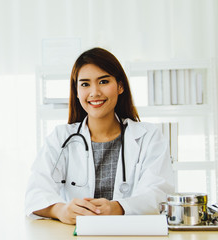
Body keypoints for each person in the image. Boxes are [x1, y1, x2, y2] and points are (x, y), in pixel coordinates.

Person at [25, 47, 174, 224]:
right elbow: (36, 194)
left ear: (120, 86)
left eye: (103, 82)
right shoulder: (61, 137)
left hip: (130, 234)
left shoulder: (148, 136)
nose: (94, 92)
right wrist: (61, 210)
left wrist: (118, 207)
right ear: (77, 91)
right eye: (85, 84)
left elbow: (159, 193)